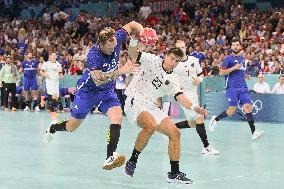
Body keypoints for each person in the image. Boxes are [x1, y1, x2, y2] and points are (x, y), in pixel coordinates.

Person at [44, 21, 144, 171]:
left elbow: (132, 25)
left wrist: (142, 32)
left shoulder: (116, 38)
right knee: (72, 127)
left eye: (115, 47)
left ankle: (110, 156)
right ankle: (53, 127)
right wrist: (121, 71)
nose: (113, 51)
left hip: (107, 91)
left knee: (117, 116)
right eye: (110, 49)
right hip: (88, 92)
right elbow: (98, 79)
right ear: (102, 44)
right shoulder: (94, 55)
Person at [124, 30, 207, 184]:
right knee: (151, 125)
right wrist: (134, 39)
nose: (172, 62)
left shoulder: (174, 79)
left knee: (175, 133)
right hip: (134, 100)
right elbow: (132, 52)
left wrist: (196, 108)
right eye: (171, 58)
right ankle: (133, 160)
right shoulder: (152, 60)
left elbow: (181, 98)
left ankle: (174, 173)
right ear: (166, 55)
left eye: (176, 61)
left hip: (150, 105)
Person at [208, 38, 264, 141]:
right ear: (231, 47)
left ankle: (254, 132)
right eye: (234, 45)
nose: (236, 47)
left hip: (243, 86)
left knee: (248, 107)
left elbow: (241, 70)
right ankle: (215, 119)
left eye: (237, 45)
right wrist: (234, 68)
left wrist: (245, 75)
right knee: (231, 111)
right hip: (231, 87)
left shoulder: (242, 59)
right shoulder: (228, 59)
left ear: (240, 47)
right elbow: (221, 73)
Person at [173, 40, 220, 155]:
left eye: (182, 47)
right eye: (178, 47)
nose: (180, 49)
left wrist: (199, 79)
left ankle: (172, 127)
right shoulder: (173, 64)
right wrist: (175, 83)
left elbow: (201, 74)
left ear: (186, 48)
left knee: (193, 123)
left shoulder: (194, 60)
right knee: (199, 118)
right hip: (183, 95)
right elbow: (168, 78)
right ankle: (207, 148)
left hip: (194, 94)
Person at [40, 52, 62, 122]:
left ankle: (44, 99)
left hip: (56, 82)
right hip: (49, 82)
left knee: (56, 97)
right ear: (50, 56)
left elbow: (60, 73)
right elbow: (41, 71)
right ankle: (53, 113)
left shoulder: (58, 64)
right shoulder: (46, 63)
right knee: (53, 96)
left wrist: (61, 76)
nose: (55, 56)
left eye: (55, 55)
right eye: (53, 55)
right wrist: (44, 75)